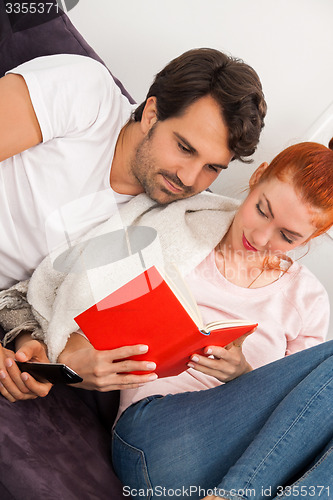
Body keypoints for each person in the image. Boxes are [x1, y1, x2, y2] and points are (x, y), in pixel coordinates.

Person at [0, 47, 266, 400]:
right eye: (185, 147)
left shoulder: (158, 220)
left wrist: (28, 345)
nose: (189, 178)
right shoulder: (86, 93)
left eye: (213, 168)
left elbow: (32, 292)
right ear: (152, 114)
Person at [108, 140, 333, 499]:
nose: (260, 238)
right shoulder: (182, 231)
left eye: (287, 236)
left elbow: (300, 423)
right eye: (261, 210)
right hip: (153, 443)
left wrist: (243, 376)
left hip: (240, 469)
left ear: (314, 237)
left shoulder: (307, 298)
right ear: (257, 177)